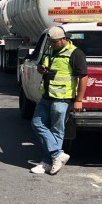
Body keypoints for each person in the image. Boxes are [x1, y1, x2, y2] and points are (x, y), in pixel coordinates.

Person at [30, 26, 88, 175]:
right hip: (46, 96)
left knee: (57, 130)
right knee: (37, 123)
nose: (52, 44)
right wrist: (41, 69)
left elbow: (83, 77)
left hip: (62, 99)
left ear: (64, 39)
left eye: (55, 42)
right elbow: (40, 67)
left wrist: (79, 100)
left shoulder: (75, 53)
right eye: (50, 42)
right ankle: (57, 155)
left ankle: (48, 162)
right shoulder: (49, 50)